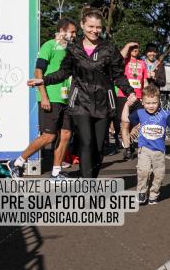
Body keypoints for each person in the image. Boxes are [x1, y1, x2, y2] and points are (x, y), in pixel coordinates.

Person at [28, 9, 136, 178]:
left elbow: (118, 75)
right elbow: (63, 72)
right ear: (82, 25)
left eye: (98, 27)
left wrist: (129, 91)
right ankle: (88, 187)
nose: (94, 30)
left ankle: (92, 179)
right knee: (86, 142)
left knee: (98, 147)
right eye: (90, 26)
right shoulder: (73, 48)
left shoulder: (109, 48)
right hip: (80, 102)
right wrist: (44, 80)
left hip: (104, 103)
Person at [9, 18, 76, 180]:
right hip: (51, 97)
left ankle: (56, 172)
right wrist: (43, 96)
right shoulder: (49, 46)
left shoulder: (71, 50)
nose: (74, 35)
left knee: (66, 135)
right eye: (72, 32)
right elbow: (38, 71)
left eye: (75, 32)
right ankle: (17, 162)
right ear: (62, 31)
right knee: (49, 136)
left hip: (66, 99)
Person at [128, 85, 170, 205]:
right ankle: (141, 192)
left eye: (154, 102)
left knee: (159, 174)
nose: (151, 105)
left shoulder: (164, 114)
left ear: (159, 101)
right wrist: (126, 107)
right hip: (144, 148)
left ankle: (154, 193)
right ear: (142, 102)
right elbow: (127, 119)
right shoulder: (139, 113)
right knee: (143, 171)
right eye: (148, 103)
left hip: (159, 150)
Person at [116, 42, 145, 160]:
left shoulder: (142, 63)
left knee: (139, 122)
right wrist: (127, 46)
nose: (134, 50)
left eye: (136, 48)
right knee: (125, 123)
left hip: (138, 96)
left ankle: (130, 141)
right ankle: (127, 149)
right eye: (132, 48)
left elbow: (144, 81)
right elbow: (117, 59)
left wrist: (144, 96)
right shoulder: (123, 61)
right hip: (124, 95)